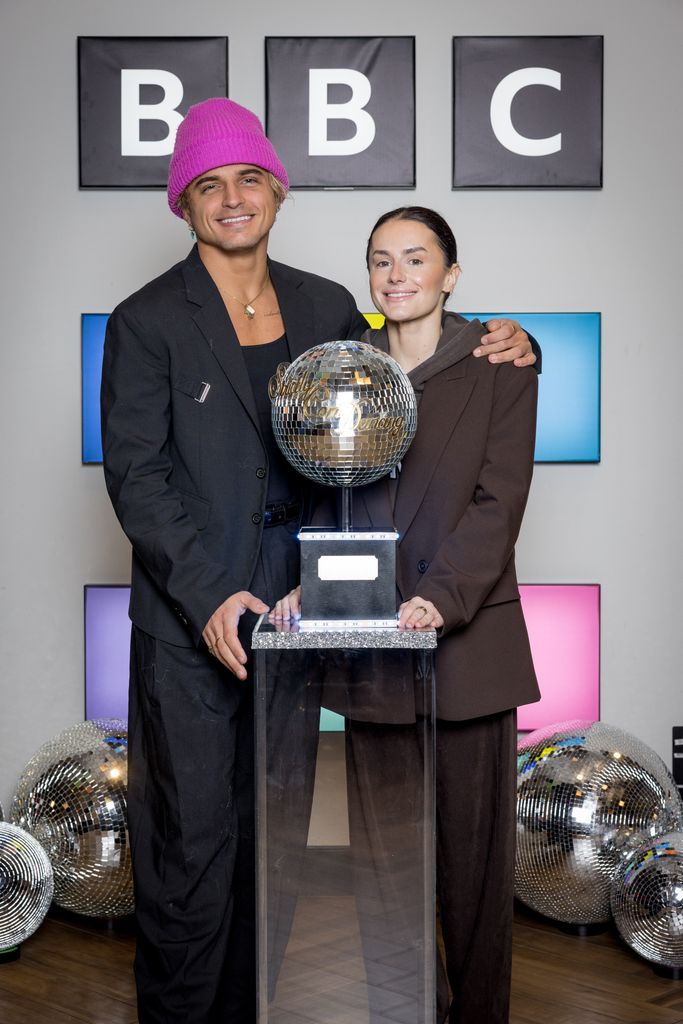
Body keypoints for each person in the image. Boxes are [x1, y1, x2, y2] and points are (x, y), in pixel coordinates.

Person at [100, 95, 537, 1024]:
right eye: (209, 185)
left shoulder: (327, 306)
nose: (231, 199)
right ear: (183, 203)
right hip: (193, 623)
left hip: (298, 622)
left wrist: (514, 338)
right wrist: (213, 593)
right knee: (189, 846)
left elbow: (397, 398)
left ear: (276, 192)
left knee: (272, 846)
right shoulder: (145, 321)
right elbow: (138, 479)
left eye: (249, 179)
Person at [273, 206, 540, 1023]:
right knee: (385, 874)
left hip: (465, 645)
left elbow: (498, 503)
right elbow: (320, 490)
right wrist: (308, 589)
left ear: (449, 274)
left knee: (473, 873)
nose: (396, 274)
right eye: (381, 260)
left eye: (415, 258)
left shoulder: (503, 366)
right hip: (372, 648)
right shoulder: (341, 369)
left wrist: (442, 596)